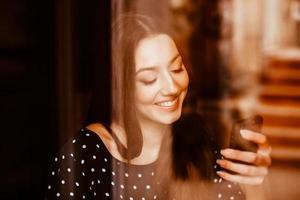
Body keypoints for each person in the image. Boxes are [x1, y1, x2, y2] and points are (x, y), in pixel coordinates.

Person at [45, 14, 271, 200]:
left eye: (176, 69)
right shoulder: (83, 155)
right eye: (149, 79)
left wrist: (256, 184)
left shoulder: (195, 137)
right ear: (120, 88)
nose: (171, 87)